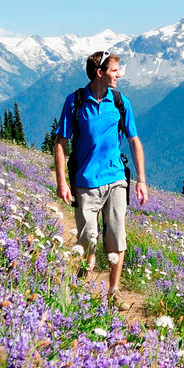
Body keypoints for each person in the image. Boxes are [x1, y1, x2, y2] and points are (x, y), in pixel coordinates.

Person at [54, 50, 147, 305]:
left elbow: (134, 140)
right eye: (115, 70)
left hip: (116, 177)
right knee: (88, 240)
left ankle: (114, 291)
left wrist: (141, 180)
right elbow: (61, 142)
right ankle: (83, 277)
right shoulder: (75, 102)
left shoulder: (120, 102)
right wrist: (62, 181)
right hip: (85, 181)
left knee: (117, 235)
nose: (119, 74)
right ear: (100, 73)